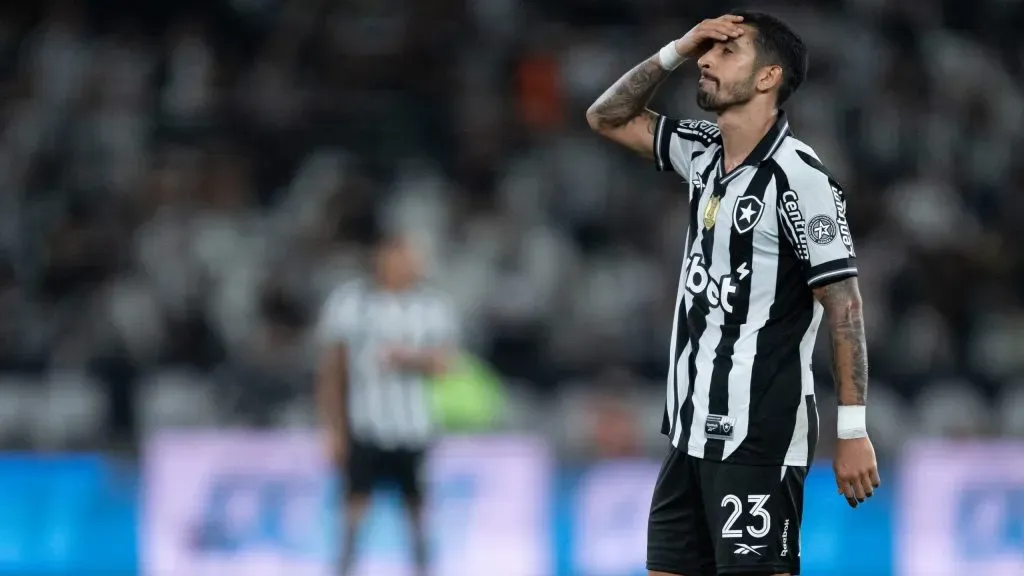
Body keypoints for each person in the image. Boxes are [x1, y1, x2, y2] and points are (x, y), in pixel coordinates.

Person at [586, 11, 880, 576]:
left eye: (726, 52)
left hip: (759, 436)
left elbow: (844, 305)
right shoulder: (702, 150)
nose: (706, 60)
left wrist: (852, 431)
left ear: (768, 78)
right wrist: (677, 46)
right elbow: (606, 116)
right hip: (688, 433)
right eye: (707, 51)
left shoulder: (801, 180)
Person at [316, 233, 459, 576]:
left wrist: (407, 359)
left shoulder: (433, 306)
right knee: (354, 508)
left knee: (417, 510)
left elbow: (445, 365)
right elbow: (333, 370)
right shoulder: (351, 301)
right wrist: (333, 429)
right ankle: (345, 567)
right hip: (365, 425)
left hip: (413, 427)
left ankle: (422, 567)